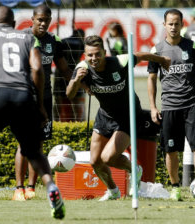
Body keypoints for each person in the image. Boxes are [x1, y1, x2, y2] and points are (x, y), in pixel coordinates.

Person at [0, 6, 65, 219]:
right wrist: (40, 105)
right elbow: (38, 69)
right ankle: (50, 186)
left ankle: (23, 188)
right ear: (14, 24)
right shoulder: (28, 39)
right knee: (32, 148)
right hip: (24, 96)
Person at [66, 35, 170, 201]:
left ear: (104, 52)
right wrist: (77, 81)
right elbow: (69, 94)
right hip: (105, 116)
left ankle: (134, 169)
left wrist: (162, 60)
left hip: (127, 116)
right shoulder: (82, 68)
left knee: (108, 158)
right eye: (90, 55)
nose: (94, 58)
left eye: (97, 54)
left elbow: (142, 55)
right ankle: (113, 191)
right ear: (85, 56)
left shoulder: (120, 62)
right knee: (95, 162)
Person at [13, 4, 72, 201]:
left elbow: (64, 69)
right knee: (23, 143)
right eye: (40, 19)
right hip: (24, 98)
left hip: (45, 100)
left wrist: (81, 82)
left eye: (46, 20)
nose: (43, 23)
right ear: (32, 19)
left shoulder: (54, 41)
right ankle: (18, 189)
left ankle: (31, 188)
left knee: (37, 144)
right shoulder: (21, 38)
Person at [147, 9, 195, 201]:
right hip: (169, 107)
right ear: (164, 25)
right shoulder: (156, 50)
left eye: (177, 23)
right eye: (170, 23)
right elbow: (151, 80)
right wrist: (152, 107)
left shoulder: (192, 46)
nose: (173, 27)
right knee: (171, 150)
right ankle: (175, 187)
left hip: (192, 105)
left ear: (182, 24)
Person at [53, 29, 86, 122]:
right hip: (75, 72)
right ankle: (79, 123)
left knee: (58, 101)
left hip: (60, 72)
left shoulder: (63, 41)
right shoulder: (81, 44)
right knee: (76, 101)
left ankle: (55, 121)